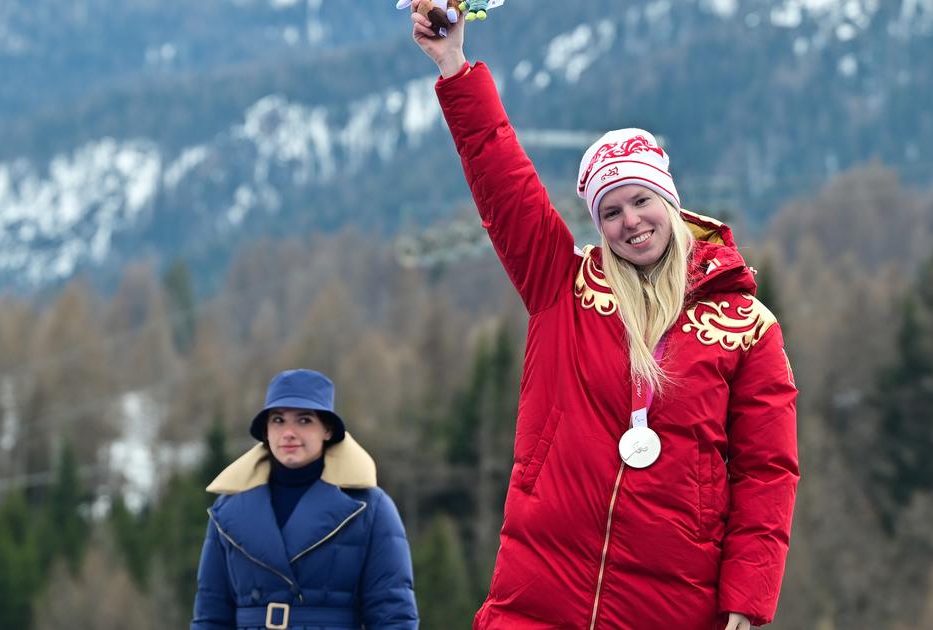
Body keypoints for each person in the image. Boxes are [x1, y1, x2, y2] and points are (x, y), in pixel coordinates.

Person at [410, 13, 799, 630]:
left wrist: (746, 604)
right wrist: (454, 68)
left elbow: (766, 472)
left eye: (643, 200)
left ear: (670, 202)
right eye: (610, 210)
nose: (630, 221)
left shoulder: (747, 327)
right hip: (538, 594)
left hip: (672, 602)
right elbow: (501, 178)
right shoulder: (560, 286)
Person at [191, 368, 418, 630]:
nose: (288, 432)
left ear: (328, 430)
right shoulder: (227, 509)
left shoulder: (371, 508)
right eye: (278, 420)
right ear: (266, 430)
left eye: (304, 420)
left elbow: (393, 615)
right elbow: (210, 616)